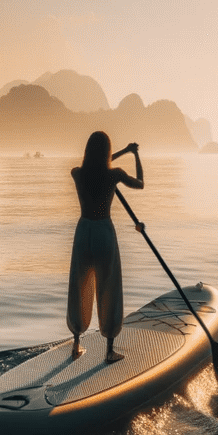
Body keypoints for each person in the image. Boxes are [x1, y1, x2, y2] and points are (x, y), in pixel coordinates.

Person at [68, 131, 143, 362]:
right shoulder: (114, 175)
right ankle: (109, 350)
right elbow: (140, 184)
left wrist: (122, 152)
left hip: (83, 232)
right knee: (108, 286)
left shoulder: (77, 173)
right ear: (108, 153)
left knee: (80, 285)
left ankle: (76, 344)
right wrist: (135, 155)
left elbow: (98, 164)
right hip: (103, 232)